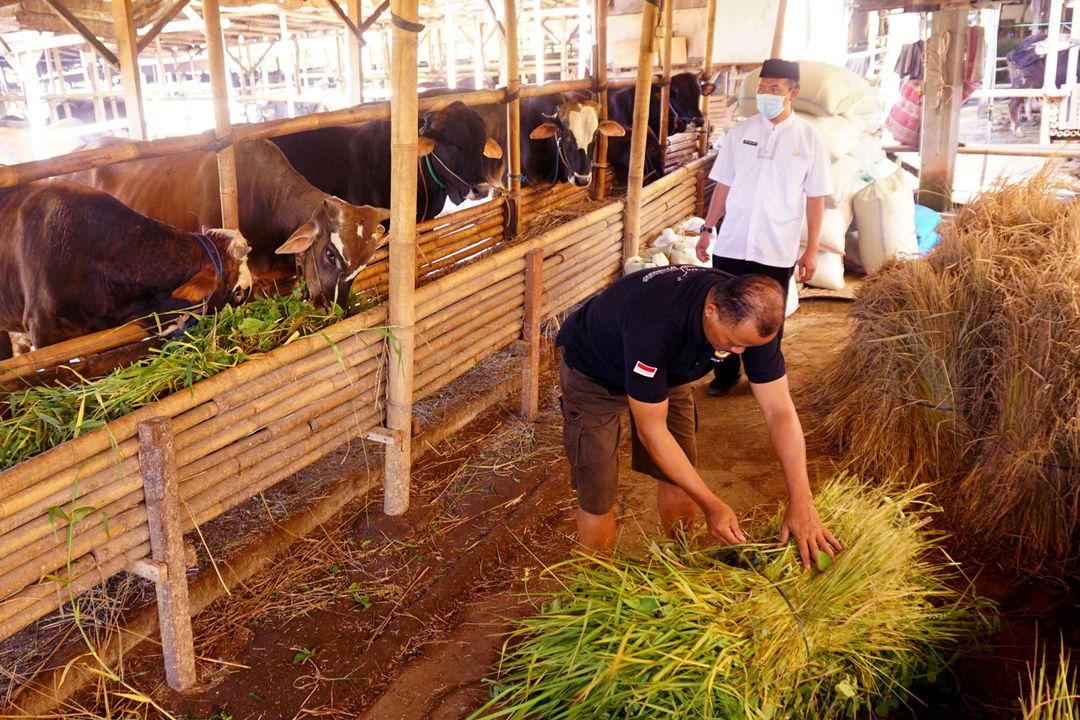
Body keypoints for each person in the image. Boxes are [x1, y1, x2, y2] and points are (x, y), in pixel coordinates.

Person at [556, 265, 840, 569]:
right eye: (732, 343)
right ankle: (596, 589)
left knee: (680, 470)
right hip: (595, 371)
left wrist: (802, 499)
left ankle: (681, 560)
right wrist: (712, 505)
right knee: (598, 488)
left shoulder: (755, 318)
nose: (738, 352)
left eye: (746, 346)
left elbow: (779, 410)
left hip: (670, 369)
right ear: (712, 311)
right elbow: (652, 433)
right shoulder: (655, 322)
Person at [695, 58, 831, 398]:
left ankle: (763, 376)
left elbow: (815, 200)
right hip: (733, 243)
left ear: (793, 94)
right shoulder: (740, 133)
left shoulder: (811, 139)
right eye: (761, 88)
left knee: (768, 315)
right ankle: (725, 374)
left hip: (776, 247)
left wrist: (811, 249)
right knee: (723, 309)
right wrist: (707, 228)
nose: (765, 95)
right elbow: (723, 186)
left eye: (774, 89)